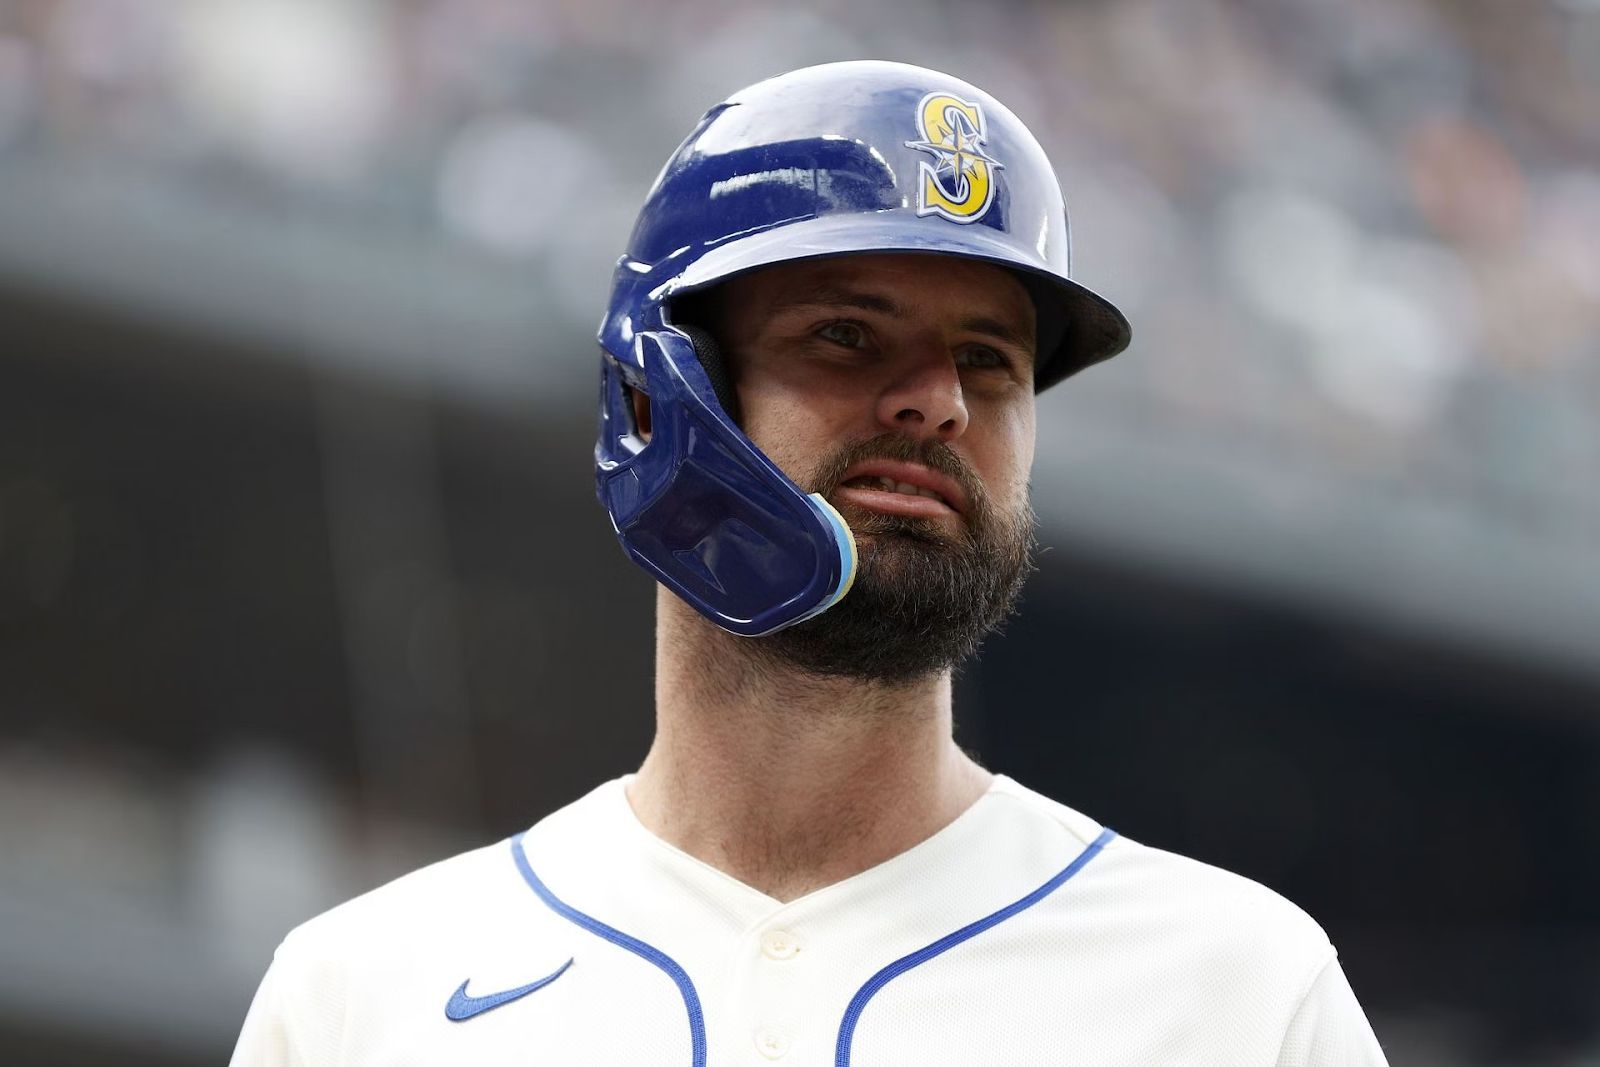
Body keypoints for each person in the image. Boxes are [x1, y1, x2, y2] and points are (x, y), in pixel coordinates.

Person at [231, 61, 1389, 1066]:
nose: (936, 401)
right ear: (659, 393)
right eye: (845, 333)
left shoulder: (1233, 989)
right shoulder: (364, 994)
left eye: (989, 362)